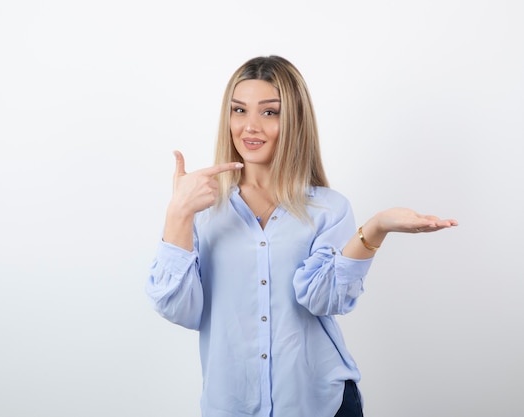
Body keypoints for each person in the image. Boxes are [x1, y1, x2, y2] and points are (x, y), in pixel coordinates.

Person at [145, 55, 457, 417]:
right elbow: (181, 309)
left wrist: (376, 228)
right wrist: (178, 213)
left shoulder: (328, 208)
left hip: (320, 403)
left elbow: (322, 300)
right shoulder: (202, 208)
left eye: (269, 112)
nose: (249, 127)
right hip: (231, 405)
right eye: (239, 110)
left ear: (293, 120)